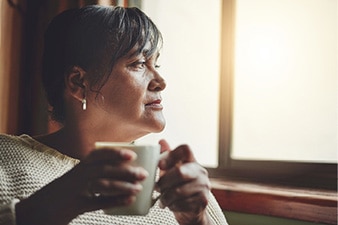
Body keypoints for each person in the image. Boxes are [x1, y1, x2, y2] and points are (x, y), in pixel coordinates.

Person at [0, 5, 228, 225]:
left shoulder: (178, 186)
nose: (160, 82)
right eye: (139, 63)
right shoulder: (6, 159)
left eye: (156, 65)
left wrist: (198, 221)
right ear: (78, 83)